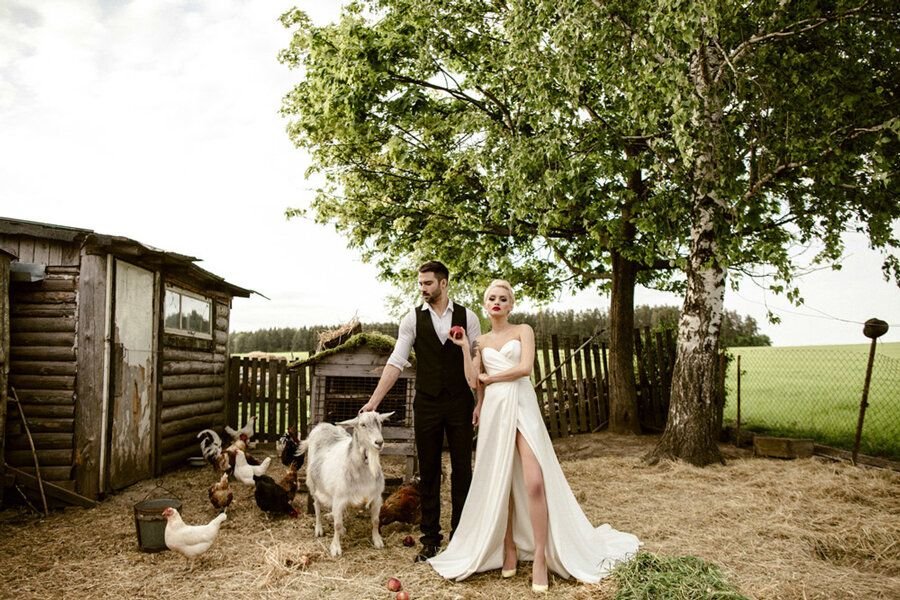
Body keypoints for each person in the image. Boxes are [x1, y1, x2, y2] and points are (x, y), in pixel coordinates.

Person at [428, 279, 640, 593]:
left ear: (511, 305)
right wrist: (463, 351)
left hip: (522, 406)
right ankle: (509, 547)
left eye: (503, 298)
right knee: (502, 481)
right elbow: (474, 382)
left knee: (534, 482)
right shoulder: (480, 342)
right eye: (492, 298)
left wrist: (491, 377)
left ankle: (540, 555)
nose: (497, 302)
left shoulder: (523, 330)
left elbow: (525, 368)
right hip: (495, 412)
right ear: (485, 305)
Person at [360, 260, 481, 563]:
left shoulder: (469, 317)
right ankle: (430, 540)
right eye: (420, 284)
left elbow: (478, 364)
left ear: (444, 283)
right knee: (427, 472)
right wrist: (374, 401)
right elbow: (396, 361)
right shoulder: (411, 320)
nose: (423, 289)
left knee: (462, 471)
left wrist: (480, 401)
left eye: (428, 283)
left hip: (460, 402)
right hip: (426, 403)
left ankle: (461, 538)